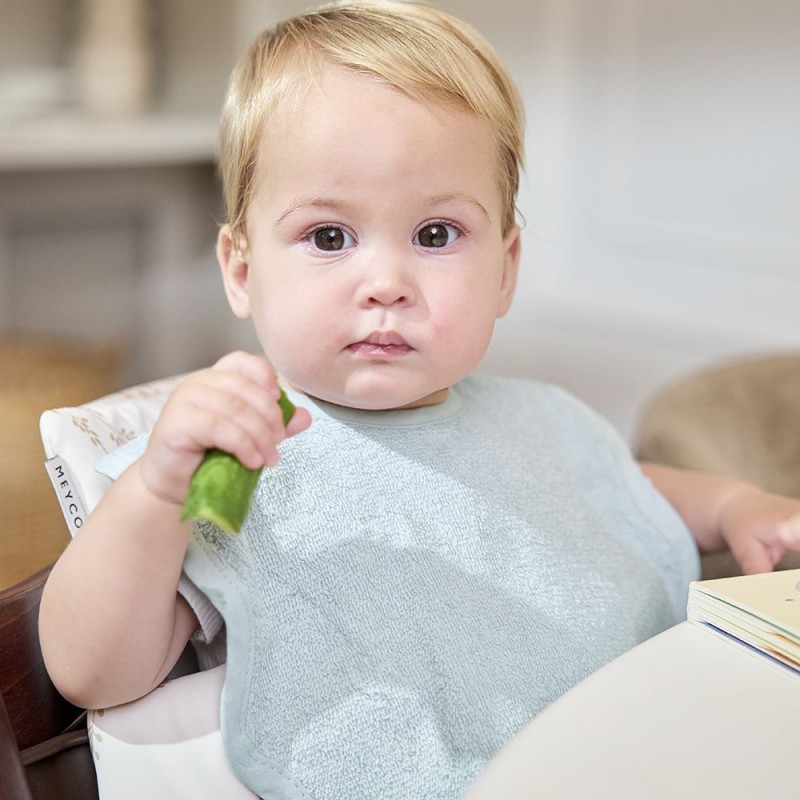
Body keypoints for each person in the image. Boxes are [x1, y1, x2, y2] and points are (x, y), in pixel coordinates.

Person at [39, 2, 800, 798]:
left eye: (436, 235)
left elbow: (626, 486)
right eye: (329, 237)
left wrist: (734, 506)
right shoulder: (235, 460)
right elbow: (93, 674)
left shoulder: (537, 416)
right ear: (240, 270)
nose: (386, 285)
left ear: (505, 269)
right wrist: (154, 494)